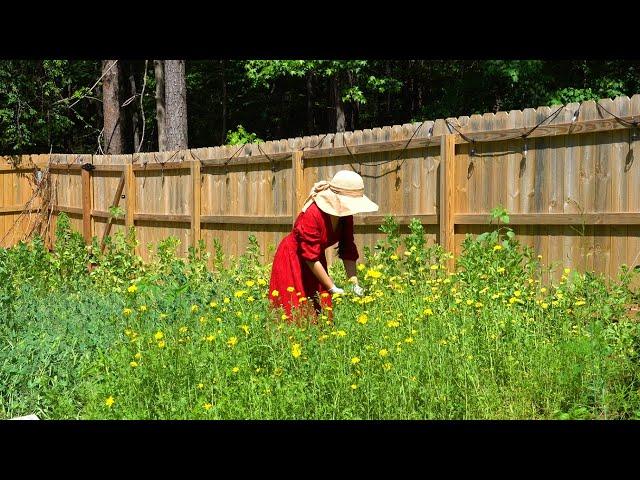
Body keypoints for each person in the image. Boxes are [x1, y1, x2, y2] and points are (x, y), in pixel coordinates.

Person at [268, 170, 379, 322]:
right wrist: (332, 287)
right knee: (292, 312)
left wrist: (353, 284)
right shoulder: (313, 214)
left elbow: (348, 248)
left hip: (316, 260)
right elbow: (310, 257)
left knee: (321, 314)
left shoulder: (345, 215)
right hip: (293, 259)